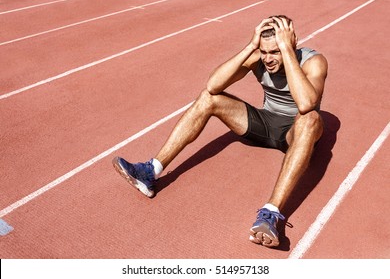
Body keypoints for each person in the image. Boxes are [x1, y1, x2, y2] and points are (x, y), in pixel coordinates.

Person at [112, 15, 328, 248]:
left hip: (296, 132)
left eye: (274, 52)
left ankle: (270, 214)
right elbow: (213, 85)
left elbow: (306, 104)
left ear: (291, 42)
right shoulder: (259, 58)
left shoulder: (313, 62)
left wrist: (286, 50)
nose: (268, 59)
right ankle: (151, 171)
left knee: (311, 119)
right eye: (264, 52)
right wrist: (251, 47)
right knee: (208, 98)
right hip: (265, 122)